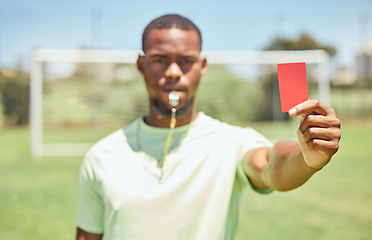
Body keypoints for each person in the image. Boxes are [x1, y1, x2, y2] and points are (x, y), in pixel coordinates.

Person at [76, 14, 341, 240]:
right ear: (140, 65)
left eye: (186, 60)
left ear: (202, 66)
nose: (172, 71)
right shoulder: (102, 156)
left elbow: (272, 164)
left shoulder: (230, 142)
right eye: (159, 59)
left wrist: (306, 158)